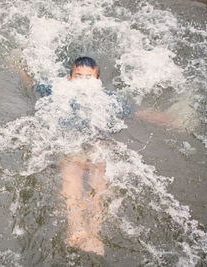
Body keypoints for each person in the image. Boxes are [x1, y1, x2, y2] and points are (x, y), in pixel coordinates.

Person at [16, 56, 186, 255]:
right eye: (78, 76)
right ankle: (76, 228)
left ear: (97, 83)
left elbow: (136, 112)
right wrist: (19, 68)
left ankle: (94, 233)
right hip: (71, 141)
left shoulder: (108, 99)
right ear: (69, 78)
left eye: (89, 78)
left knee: (99, 177)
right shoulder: (57, 90)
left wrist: (166, 120)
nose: (83, 81)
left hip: (98, 142)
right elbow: (32, 84)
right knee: (72, 172)